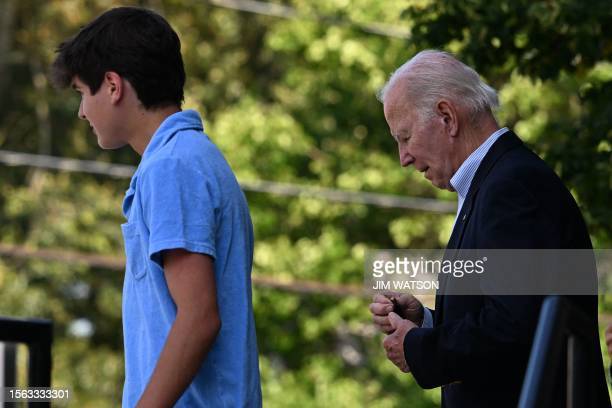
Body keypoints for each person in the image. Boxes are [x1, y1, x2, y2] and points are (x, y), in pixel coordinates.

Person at [369, 50, 609, 407]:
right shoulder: (497, 183)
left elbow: (514, 326)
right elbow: (509, 312)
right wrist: (428, 322)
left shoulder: (511, 186)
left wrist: (418, 347)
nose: (403, 158)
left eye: (405, 137)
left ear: (447, 118)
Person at [50, 7, 261, 407]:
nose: (81, 111)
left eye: (82, 92)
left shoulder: (171, 166)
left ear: (112, 86)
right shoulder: (189, 157)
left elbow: (199, 318)